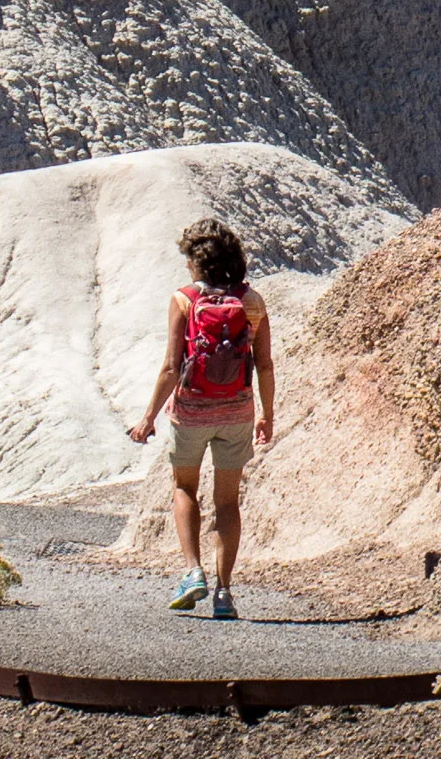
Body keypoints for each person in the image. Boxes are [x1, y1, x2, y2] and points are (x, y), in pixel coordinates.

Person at [126, 218, 275, 619]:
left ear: (196, 260)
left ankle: (193, 572)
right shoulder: (253, 302)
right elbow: (264, 365)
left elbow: (171, 367)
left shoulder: (184, 300)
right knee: (228, 502)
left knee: (184, 489)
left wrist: (147, 419)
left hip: (191, 412)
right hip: (238, 410)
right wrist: (267, 416)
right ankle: (225, 594)